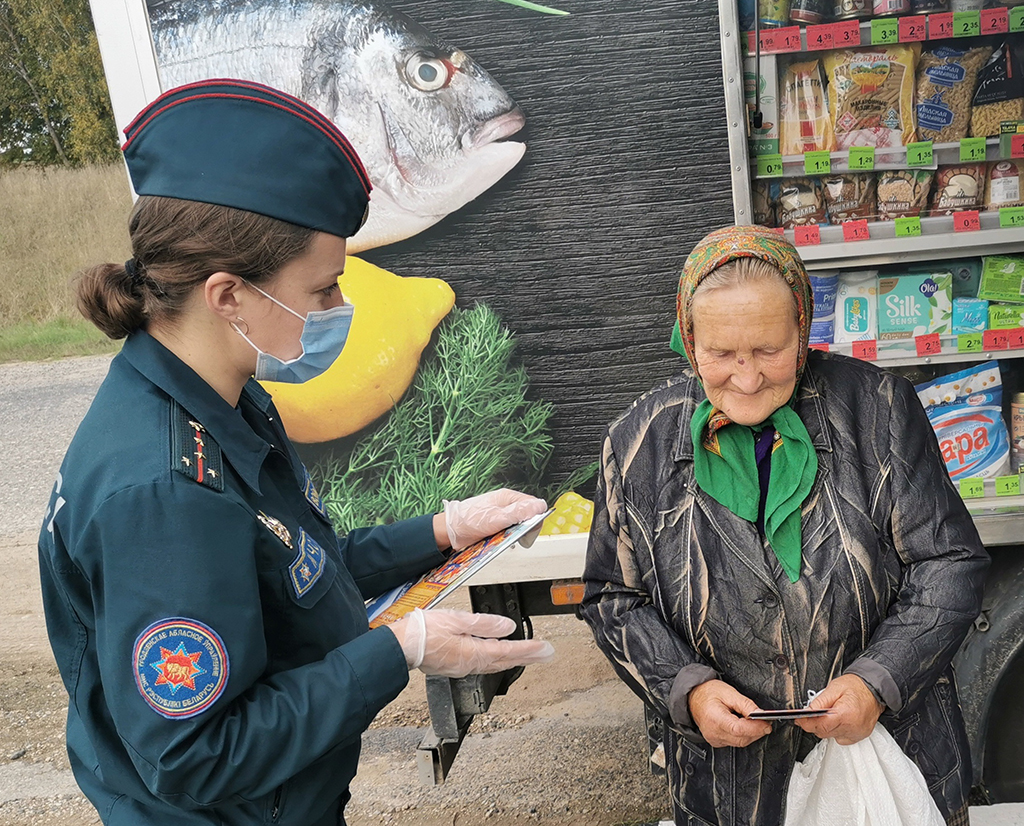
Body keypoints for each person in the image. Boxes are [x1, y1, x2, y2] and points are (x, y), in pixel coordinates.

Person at [37, 79, 554, 826]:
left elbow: (294, 572)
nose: (338, 312)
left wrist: (441, 532)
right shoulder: (164, 491)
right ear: (228, 297)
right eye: (321, 292)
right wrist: (397, 651)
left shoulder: (222, 398)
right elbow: (198, 754)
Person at [580, 225, 989, 826]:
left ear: (803, 332)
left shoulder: (878, 410)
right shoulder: (637, 443)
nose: (746, 380)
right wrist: (687, 689)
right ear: (689, 341)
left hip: (885, 756)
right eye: (721, 355)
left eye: (769, 351)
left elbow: (949, 561)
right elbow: (613, 597)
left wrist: (878, 681)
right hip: (730, 783)